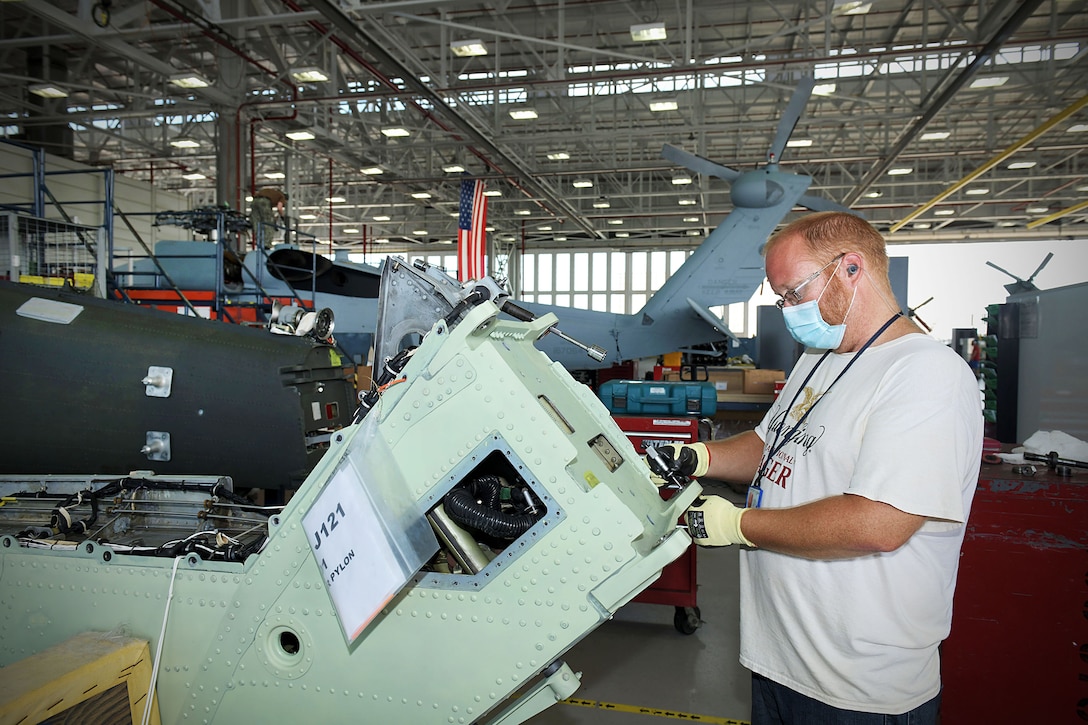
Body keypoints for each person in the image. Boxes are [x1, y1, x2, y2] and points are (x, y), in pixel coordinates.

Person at [649, 211, 982, 724]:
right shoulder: (820, 357)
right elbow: (774, 443)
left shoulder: (926, 375)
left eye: (793, 293)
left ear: (851, 268)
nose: (786, 310)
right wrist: (700, 456)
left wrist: (736, 525)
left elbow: (878, 524)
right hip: (779, 661)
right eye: (780, 297)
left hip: (858, 688)